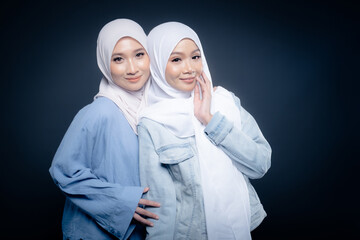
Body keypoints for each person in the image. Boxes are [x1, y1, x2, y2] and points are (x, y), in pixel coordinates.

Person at [137, 22, 271, 239]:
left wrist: (209, 119)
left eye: (195, 56)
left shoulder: (226, 102)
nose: (190, 68)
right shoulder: (151, 124)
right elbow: (160, 206)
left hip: (247, 226)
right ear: (158, 64)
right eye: (176, 59)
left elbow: (260, 165)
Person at [49, 19, 160, 240]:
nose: (132, 68)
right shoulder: (99, 111)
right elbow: (64, 171)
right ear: (104, 63)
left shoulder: (156, 109)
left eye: (139, 54)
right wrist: (124, 202)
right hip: (96, 232)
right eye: (118, 59)